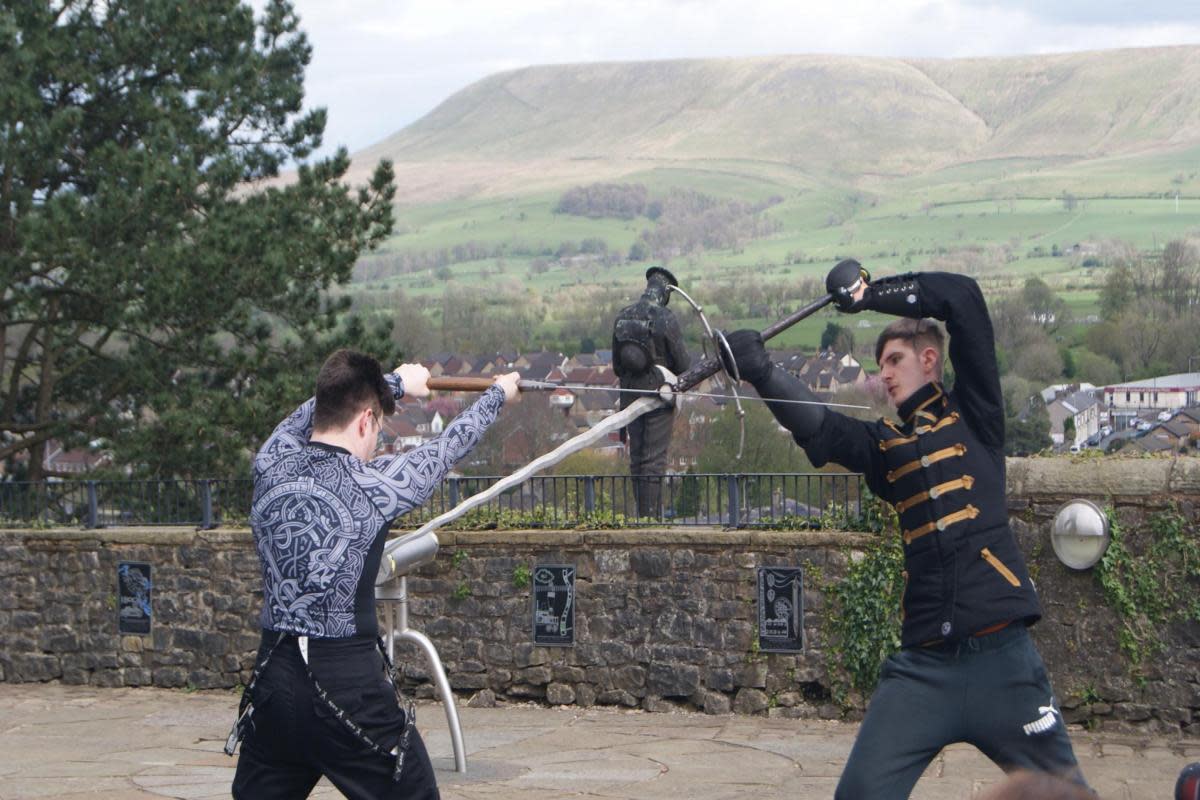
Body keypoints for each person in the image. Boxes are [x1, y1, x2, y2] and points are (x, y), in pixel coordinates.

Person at [723, 263, 1090, 798]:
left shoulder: (977, 417)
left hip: (1005, 661)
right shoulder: (885, 451)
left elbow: (964, 297)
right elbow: (822, 430)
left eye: (894, 359)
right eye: (880, 364)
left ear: (928, 359)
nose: (885, 374)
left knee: (1069, 794)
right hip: (923, 670)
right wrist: (760, 370)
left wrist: (869, 296)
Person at [229, 348, 519, 799]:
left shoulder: (271, 461)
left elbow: (308, 410)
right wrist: (499, 393)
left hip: (274, 679)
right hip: (346, 685)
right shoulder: (376, 486)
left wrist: (395, 383)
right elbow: (448, 447)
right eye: (377, 426)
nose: (375, 441)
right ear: (366, 419)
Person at [611, 266, 691, 517]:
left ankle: (641, 516)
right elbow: (683, 365)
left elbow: (616, 367)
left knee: (637, 457)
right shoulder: (665, 318)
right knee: (654, 459)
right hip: (659, 394)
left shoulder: (623, 316)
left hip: (630, 395)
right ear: (666, 292)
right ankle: (650, 519)